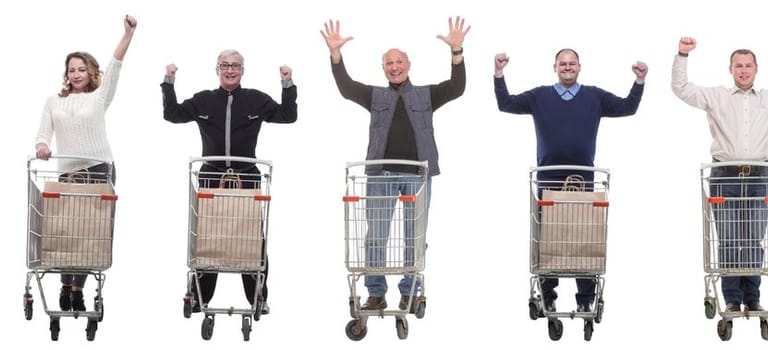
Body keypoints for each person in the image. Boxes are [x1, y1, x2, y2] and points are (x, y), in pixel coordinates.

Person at [321, 17, 469, 311]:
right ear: (384, 68)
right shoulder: (375, 95)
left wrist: (456, 53)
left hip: (418, 174)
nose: (395, 67)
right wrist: (336, 56)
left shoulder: (426, 95)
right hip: (381, 174)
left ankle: (410, 289)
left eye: (399, 61)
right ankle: (375, 293)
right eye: (389, 63)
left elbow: (456, 87)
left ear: (408, 64)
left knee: (413, 238)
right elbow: (347, 87)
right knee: (375, 236)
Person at [671, 36, 768, 313]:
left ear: (756, 68)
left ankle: (752, 296)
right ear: (731, 70)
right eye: (738, 66)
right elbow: (680, 88)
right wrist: (683, 54)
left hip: (758, 177)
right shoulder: (715, 96)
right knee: (727, 238)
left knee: (754, 238)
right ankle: (731, 298)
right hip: (723, 175)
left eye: (748, 65)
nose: (743, 70)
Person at [493, 48, 646, 312]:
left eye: (571, 63)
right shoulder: (539, 96)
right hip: (548, 178)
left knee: (583, 237)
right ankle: (548, 294)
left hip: (582, 178)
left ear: (579, 67)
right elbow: (505, 103)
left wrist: (639, 81)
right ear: (554, 67)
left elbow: (627, 107)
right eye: (562, 64)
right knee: (548, 237)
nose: (567, 67)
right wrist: (499, 73)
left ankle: (586, 298)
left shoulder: (594, 96)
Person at [162, 49, 298, 314]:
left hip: (246, 177)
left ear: (243, 70)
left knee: (250, 238)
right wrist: (169, 82)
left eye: (235, 65)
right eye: (225, 65)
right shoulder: (204, 100)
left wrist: (287, 84)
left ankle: (257, 296)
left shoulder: (255, 99)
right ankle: (200, 297)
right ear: (217, 69)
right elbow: (173, 114)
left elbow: (287, 115)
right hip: (211, 176)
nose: (230, 69)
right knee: (208, 238)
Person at [34, 14, 136, 313]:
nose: (76, 74)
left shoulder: (99, 97)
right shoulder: (54, 100)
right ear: (66, 74)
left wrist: (127, 35)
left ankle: (77, 290)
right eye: (71, 70)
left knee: (88, 234)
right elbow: (43, 133)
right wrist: (42, 145)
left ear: (91, 73)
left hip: (99, 169)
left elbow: (115, 66)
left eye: (81, 69)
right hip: (66, 173)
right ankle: (66, 286)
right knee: (67, 231)